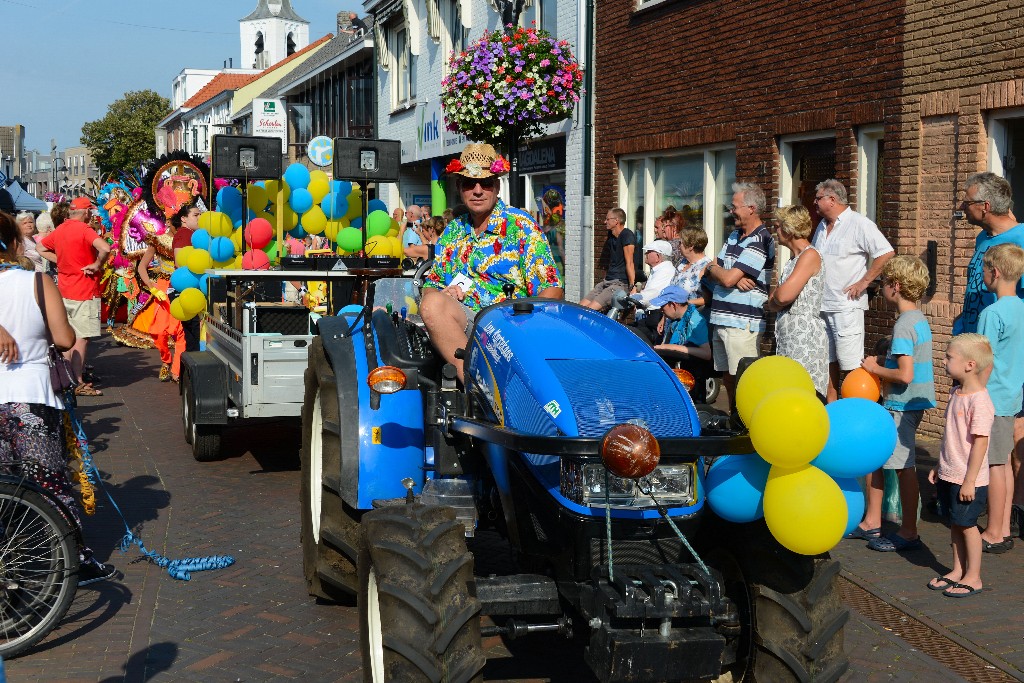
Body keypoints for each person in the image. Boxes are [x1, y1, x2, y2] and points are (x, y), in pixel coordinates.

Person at [0, 211, 117, 586]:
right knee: (49, 485)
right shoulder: (37, 282)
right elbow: (66, 340)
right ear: (16, 244)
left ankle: (15, 568)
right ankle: (77, 561)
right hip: (31, 396)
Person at [420, 143, 563, 382]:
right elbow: (431, 285)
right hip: (464, 328)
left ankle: (490, 390)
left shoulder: (520, 226)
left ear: (496, 187)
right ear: (460, 187)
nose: (478, 191)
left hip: (510, 331)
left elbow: (552, 290)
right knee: (432, 304)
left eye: (485, 183)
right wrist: (443, 292)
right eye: (469, 184)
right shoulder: (453, 230)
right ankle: (478, 387)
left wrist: (520, 330)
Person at [951, 173, 1024, 537]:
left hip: (998, 366)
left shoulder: (1022, 240)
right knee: (973, 432)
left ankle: (1003, 520)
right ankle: (968, 493)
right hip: (972, 350)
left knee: (1003, 445)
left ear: (985, 206)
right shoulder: (983, 237)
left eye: (967, 202)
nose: (962, 207)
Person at [850, 256, 936, 550]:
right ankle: (872, 522)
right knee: (878, 459)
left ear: (895, 286)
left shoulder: (903, 326)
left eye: (884, 283)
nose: (882, 288)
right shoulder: (919, 319)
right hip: (908, 405)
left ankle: (909, 531)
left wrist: (874, 368)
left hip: (902, 406)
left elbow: (905, 374)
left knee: (904, 468)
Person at [811, 179, 894, 402]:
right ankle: (831, 404)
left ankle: (853, 406)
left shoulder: (859, 224)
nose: (814, 202)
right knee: (827, 360)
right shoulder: (820, 226)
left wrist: (864, 282)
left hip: (846, 306)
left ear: (832, 199)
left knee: (850, 362)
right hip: (822, 305)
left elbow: (885, 253)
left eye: (818, 198)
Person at [926, 334, 994, 598]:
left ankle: (973, 576)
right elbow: (950, 436)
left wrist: (969, 480)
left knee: (968, 525)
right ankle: (957, 569)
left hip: (968, 478)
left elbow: (980, 444)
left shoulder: (980, 402)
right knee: (955, 523)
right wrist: (937, 463)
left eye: (949, 357)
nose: (943, 361)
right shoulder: (956, 393)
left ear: (969, 365)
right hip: (949, 472)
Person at [706, 182, 775, 412]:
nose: (730, 211)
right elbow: (712, 268)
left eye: (734, 206)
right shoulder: (734, 235)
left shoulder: (761, 240)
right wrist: (720, 272)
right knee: (728, 375)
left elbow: (724, 278)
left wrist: (724, 274)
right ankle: (735, 417)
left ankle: (746, 422)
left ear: (751, 208)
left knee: (745, 378)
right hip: (723, 318)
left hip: (742, 322)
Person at [975, 243, 1024, 553]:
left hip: (992, 399)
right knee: (1004, 464)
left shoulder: (991, 314)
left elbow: (981, 362)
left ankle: (994, 531)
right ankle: (1003, 526)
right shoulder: (1022, 308)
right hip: (1013, 398)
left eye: (983, 270)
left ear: (994, 272)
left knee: (995, 465)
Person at [35, 197, 109, 396]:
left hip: (65, 290)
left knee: (67, 336)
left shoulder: (61, 229)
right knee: (81, 338)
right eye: (90, 212)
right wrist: (97, 264)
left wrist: (60, 260)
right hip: (84, 290)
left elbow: (40, 248)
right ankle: (77, 381)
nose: (92, 215)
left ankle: (67, 378)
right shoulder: (85, 229)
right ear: (86, 212)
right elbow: (105, 248)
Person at [766, 205, 827, 397]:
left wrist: (777, 300)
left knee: (803, 391)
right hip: (790, 337)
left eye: (777, 226)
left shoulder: (809, 255)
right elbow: (773, 300)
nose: (776, 231)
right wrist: (777, 301)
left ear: (788, 228)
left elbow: (782, 296)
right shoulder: (793, 260)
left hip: (805, 338)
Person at [135, 208, 188, 382]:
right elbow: (142, 266)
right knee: (158, 332)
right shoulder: (158, 240)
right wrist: (151, 286)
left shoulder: (190, 239)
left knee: (180, 332)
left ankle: (176, 371)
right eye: (175, 222)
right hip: (163, 289)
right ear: (169, 223)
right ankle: (166, 360)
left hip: (184, 287)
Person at [651, 285, 714, 400]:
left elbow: (706, 353)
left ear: (674, 305)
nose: (661, 310)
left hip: (691, 377)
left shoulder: (695, 321)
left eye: (663, 306)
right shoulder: (675, 319)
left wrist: (672, 347)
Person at [579, 208, 635, 311]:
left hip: (619, 284)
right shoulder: (611, 236)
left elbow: (630, 262)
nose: (605, 221)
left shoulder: (627, 235)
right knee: (578, 308)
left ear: (616, 221)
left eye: (608, 219)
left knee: (589, 311)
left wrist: (632, 286)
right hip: (606, 282)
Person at [625, 240, 675, 344]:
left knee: (630, 336)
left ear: (658, 256)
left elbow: (652, 293)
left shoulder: (665, 271)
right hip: (649, 316)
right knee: (626, 331)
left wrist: (633, 297)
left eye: (649, 252)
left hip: (656, 318)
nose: (645, 254)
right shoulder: (657, 269)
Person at [170, 203, 203, 354]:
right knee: (193, 335)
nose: (200, 218)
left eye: (200, 214)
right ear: (183, 218)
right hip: (186, 289)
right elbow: (180, 261)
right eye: (195, 215)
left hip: (190, 288)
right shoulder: (184, 234)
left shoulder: (193, 234)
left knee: (192, 335)